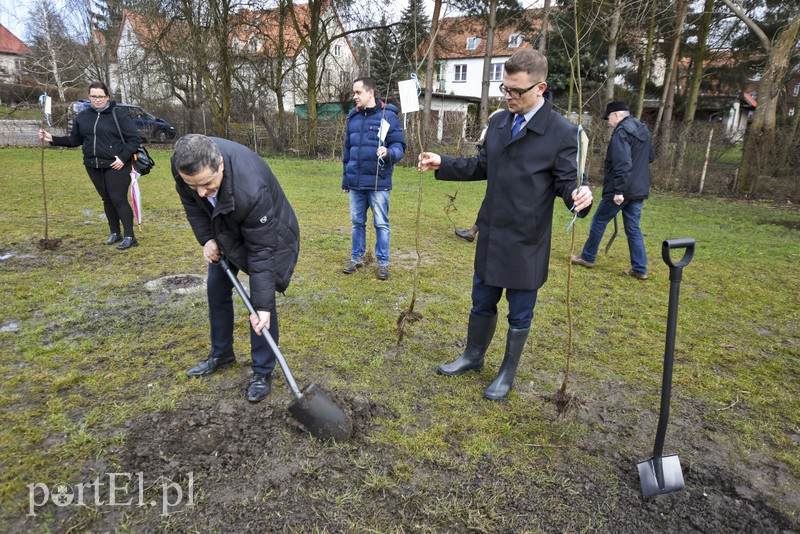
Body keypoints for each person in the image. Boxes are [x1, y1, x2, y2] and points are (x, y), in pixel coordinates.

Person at [419, 49, 593, 400]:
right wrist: (444, 162)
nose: (509, 96)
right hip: (491, 234)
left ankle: (507, 373)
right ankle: (473, 355)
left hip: (526, 242)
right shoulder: (499, 122)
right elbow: (482, 166)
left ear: (540, 88)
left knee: (519, 312)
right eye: (506, 89)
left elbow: (568, 182)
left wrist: (580, 193)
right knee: (481, 301)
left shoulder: (562, 133)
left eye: (517, 91)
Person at [173, 134, 300, 403]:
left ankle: (263, 371)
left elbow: (262, 252)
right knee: (216, 287)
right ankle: (221, 354)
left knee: (260, 304)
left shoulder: (251, 188)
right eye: (193, 185)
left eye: (207, 184)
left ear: (220, 164)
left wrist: (264, 306)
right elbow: (193, 207)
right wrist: (207, 238)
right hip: (223, 227)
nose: (201, 192)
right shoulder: (185, 169)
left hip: (266, 231)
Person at [39, 81, 141, 250]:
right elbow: (75, 140)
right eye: (93, 96)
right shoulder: (83, 116)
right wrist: (53, 139)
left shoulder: (118, 115)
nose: (97, 100)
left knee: (118, 199)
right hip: (93, 165)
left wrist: (123, 158)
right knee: (107, 200)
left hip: (116, 165)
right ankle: (115, 233)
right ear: (89, 97)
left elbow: (134, 140)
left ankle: (130, 236)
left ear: (107, 97)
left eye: (101, 96)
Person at [569, 100, 654, 280]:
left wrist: (619, 191)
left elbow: (623, 163)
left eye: (608, 119)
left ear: (616, 115)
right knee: (633, 228)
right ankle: (640, 268)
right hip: (638, 189)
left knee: (599, 221)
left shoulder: (621, 132)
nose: (608, 123)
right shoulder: (643, 130)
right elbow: (650, 157)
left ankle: (587, 257)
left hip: (621, 189)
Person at [341, 76, 407, 280]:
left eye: (358, 92)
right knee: (357, 222)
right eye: (354, 93)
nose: (355, 97)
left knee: (381, 223)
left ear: (371, 93)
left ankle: (383, 263)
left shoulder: (389, 116)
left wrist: (389, 153)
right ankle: (356, 258)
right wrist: (346, 180)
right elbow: (347, 152)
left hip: (379, 182)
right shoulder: (353, 118)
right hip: (356, 182)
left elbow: (400, 146)